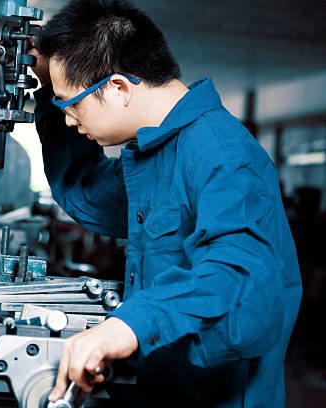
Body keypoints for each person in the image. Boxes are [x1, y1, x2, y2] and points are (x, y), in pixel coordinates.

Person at [28, 0, 302, 406]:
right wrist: (50, 84)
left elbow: (239, 277)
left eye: (71, 105)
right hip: (161, 387)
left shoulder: (221, 152)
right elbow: (87, 195)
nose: (68, 119)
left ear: (119, 87)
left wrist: (130, 326)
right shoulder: (153, 152)